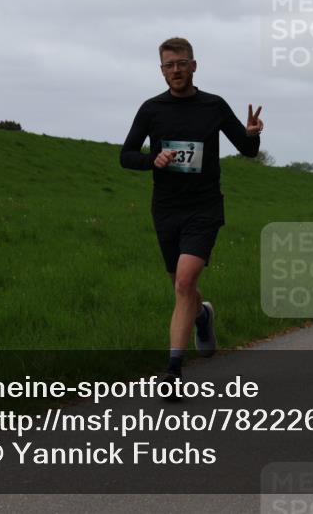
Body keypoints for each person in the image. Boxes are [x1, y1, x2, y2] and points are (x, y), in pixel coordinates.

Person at [120, 37, 264, 388]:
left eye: (181, 63)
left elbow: (246, 150)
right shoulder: (151, 109)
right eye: (169, 65)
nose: (176, 70)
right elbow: (126, 155)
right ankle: (202, 315)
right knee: (181, 289)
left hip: (205, 206)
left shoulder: (213, 106)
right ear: (161, 71)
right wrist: (151, 160)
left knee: (185, 281)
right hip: (166, 209)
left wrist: (252, 134)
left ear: (194, 65)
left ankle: (173, 370)